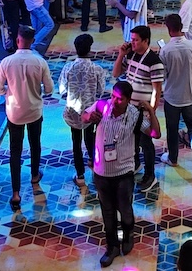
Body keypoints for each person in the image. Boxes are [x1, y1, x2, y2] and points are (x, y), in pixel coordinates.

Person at [83, 81, 161, 267]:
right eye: (113, 96)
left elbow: (155, 133)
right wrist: (88, 116)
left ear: (128, 99)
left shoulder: (135, 116)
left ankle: (128, 234)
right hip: (101, 172)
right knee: (107, 212)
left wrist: (150, 110)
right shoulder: (103, 106)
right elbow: (84, 115)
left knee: (125, 210)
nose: (115, 101)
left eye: (120, 99)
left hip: (124, 173)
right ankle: (112, 247)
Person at [0, 26, 54, 210]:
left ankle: (16, 193)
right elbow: (50, 89)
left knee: (15, 151)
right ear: (32, 41)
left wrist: (6, 93)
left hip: (14, 113)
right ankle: (35, 175)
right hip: (35, 111)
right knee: (35, 144)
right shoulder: (40, 62)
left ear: (17, 40)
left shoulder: (6, 62)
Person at [112, 25, 164, 192]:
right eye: (131, 39)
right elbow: (115, 74)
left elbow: (157, 90)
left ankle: (150, 175)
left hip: (142, 112)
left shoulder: (154, 62)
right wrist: (121, 54)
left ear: (145, 41)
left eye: (135, 40)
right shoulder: (131, 55)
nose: (132, 43)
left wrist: (151, 112)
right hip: (129, 109)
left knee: (146, 143)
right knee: (131, 140)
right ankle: (135, 164)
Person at [159, 13, 192, 180]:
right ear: (182, 27)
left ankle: (173, 158)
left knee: (172, 129)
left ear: (168, 28)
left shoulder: (165, 50)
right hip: (190, 96)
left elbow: (162, 76)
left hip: (172, 97)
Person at [58, 33, 107, 186]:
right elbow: (101, 91)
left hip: (73, 113)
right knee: (91, 139)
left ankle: (80, 175)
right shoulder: (97, 69)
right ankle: (94, 163)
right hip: (90, 112)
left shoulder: (68, 67)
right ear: (90, 49)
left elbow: (61, 90)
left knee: (76, 143)